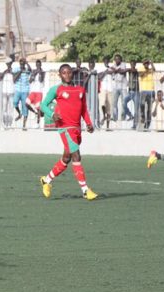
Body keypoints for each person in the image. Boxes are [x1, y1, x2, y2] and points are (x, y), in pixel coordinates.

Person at [39, 64, 98, 201]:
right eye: (64, 73)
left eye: (69, 72)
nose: (67, 75)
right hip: (65, 128)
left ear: (72, 74)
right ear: (60, 75)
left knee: (67, 158)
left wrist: (88, 123)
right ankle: (85, 190)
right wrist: (52, 114)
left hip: (77, 128)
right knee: (76, 156)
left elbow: (83, 109)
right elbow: (43, 105)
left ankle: (46, 180)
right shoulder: (56, 89)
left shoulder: (80, 90)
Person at [12, 58, 32, 129]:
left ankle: (24, 125)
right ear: (19, 63)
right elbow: (14, 80)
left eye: (23, 63)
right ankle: (19, 113)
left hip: (25, 90)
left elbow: (30, 70)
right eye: (21, 63)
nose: (22, 64)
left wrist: (27, 63)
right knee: (15, 102)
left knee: (25, 107)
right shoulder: (16, 69)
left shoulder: (27, 69)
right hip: (17, 90)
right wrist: (20, 72)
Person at [138, 60, 156, 130]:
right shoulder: (141, 69)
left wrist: (151, 63)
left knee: (149, 108)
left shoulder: (150, 69)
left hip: (151, 90)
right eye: (145, 64)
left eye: (147, 64)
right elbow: (140, 75)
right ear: (143, 64)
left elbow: (154, 70)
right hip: (143, 90)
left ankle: (147, 124)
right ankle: (143, 116)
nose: (146, 65)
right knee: (141, 104)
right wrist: (146, 70)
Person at [28, 60, 45, 127]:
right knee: (27, 103)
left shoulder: (43, 72)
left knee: (38, 107)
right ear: (36, 65)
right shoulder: (33, 71)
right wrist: (34, 74)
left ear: (41, 65)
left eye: (39, 65)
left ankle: (37, 123)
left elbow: (41, 80)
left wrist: (40, 73)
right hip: (33, 91)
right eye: (37, 65)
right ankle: (34, 112)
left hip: (39, 92)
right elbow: (30, 81)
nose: (38, 66)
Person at [0, 59, 15, 128]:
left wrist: (12, 72)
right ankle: (4, 123)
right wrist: (5, 71)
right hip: (4, 91)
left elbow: (16, 78)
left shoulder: (14, 70)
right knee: (4, 108)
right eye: (7, 63)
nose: (8, 64)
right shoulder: (3, 69)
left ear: (11, 63)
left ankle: (10, 123)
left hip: (11, 91)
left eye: (9, 63)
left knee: (11, 108)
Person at [123, 60, 140, 129]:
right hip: (130, 92)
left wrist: (129, 69)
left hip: (136, 92)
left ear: (135, 64)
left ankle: (135, 125)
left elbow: (134, 71)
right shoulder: (129, 70)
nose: (132, 65)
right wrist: (128, 69)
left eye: (133, 64)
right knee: (123, 103)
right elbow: (123, 71)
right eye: (131, 64)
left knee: (136, 109)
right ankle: (130, 115)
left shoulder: (136, 71)